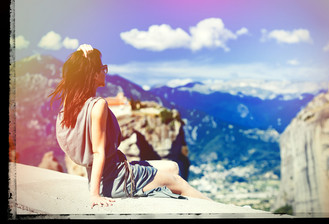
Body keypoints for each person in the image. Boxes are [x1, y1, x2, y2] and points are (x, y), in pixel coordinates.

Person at [49, 44, 210, 208]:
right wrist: (95, 195)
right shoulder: (98, 105)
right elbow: (98, 152)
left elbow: (74, 74)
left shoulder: (70, 105)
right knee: (178, 182)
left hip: (112, 171)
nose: (105, 72)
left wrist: (81, 51)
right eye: (102, 68)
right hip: (117, 178)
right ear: (93, 74)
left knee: (173, 166)